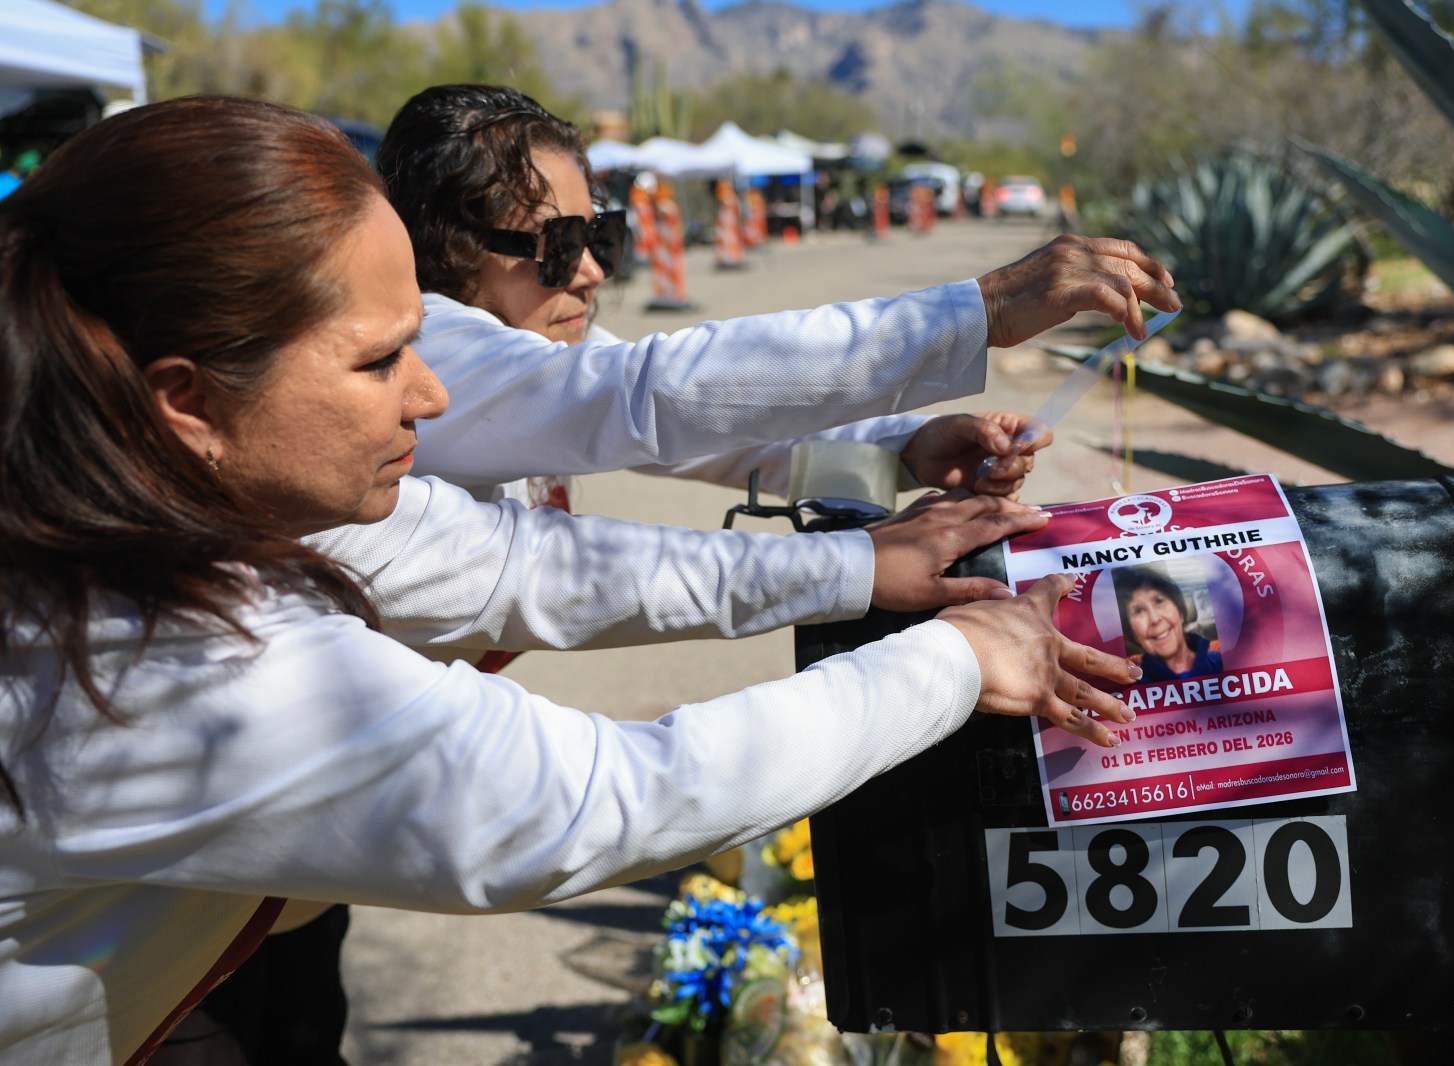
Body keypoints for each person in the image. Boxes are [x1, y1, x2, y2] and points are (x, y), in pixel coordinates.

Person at [0, 96, 1145, 1065]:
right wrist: (953, 657)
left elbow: (519, 561)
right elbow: (604, 798)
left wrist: (858, 562)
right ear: (185, 397)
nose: (429, 394)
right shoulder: (150, 652)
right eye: (380, 360)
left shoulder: (144, 496)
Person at [377, 84, 1058, 516]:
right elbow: (659, 392)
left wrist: (906, 454)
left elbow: (729, 440)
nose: (590, 272)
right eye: (556, 245)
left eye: (599, 238)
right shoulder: (432, 357)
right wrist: (981, 311)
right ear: (449, 249)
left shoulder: (544, 359)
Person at [1114, 566, 1224, 682]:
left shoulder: (1225, 662)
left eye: (1159, 601)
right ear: (1131, 632)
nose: (1155, 619)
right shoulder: (1132, 689)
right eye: (1139, 611)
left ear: (1179, 610)